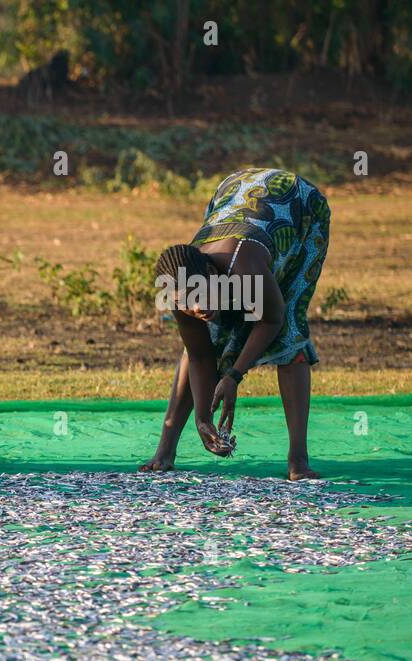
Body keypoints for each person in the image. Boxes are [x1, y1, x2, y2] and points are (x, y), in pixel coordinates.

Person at [140, 168, 330, 480]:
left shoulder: (243, 266)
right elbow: (199, 355)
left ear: (214, 275)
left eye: (200, 294)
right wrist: (203, 418)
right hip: (231, 193)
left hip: (299, 207)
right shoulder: (178, 290)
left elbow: (271, 318)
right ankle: (165, 451)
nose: (197, 307)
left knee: (289, 334)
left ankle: (298, 459)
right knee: (208, 337)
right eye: (186, 302)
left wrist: (233, 375)